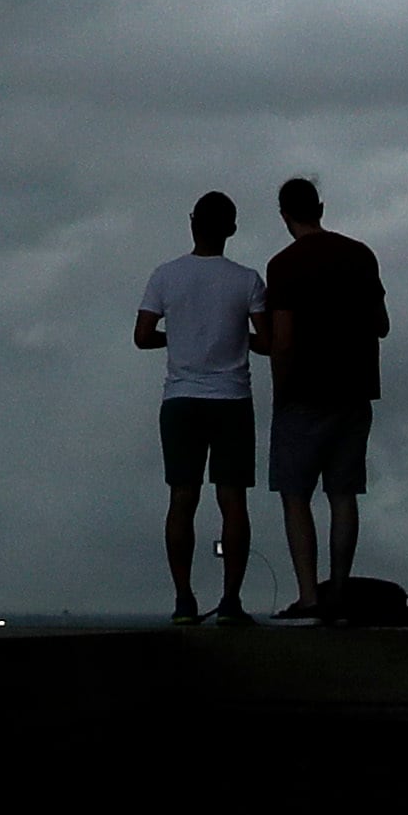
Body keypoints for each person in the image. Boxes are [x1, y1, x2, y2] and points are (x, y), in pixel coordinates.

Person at [133, 191, 266, 624]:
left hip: (181, 399)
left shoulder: (166, 276)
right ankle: (230, 600)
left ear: (193, 223)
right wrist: (235, 336)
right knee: (232, 502)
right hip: (231, 399)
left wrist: (180, 336)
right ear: (231, 228)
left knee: (182, 499)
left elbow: (142, 334)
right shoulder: (247, 280)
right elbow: (266, 341)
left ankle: (184, 599)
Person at [260, 175, 388, 623]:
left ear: (285, 216)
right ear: (321, 207)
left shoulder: (284, 266)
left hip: (304, 393)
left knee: (295, 495)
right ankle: (338, 590)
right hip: (354, 391)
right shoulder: (360, 255)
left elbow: (283, 339)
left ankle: (309, 597)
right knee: (343, 494)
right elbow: (381, 324)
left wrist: (280, 393)